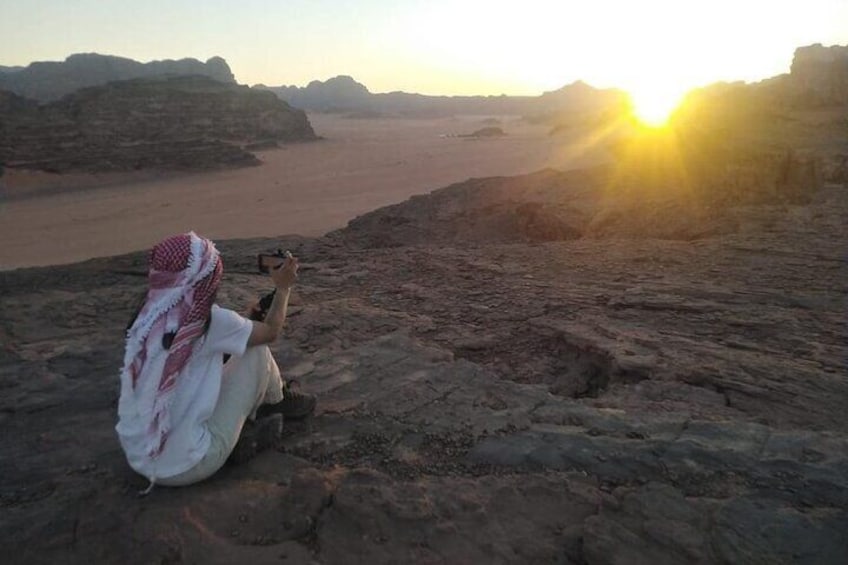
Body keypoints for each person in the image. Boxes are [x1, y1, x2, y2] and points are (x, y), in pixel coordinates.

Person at [116, 231, 315, 491]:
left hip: (139, 459)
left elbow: (197, 358)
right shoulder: (209, 321)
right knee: (255, 352)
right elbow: (271, 332)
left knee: (240, 346)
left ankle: (243, 426)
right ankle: (276, 403)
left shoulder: (144, 318)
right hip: (189, 465)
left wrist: (246, 321)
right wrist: (283, 287)